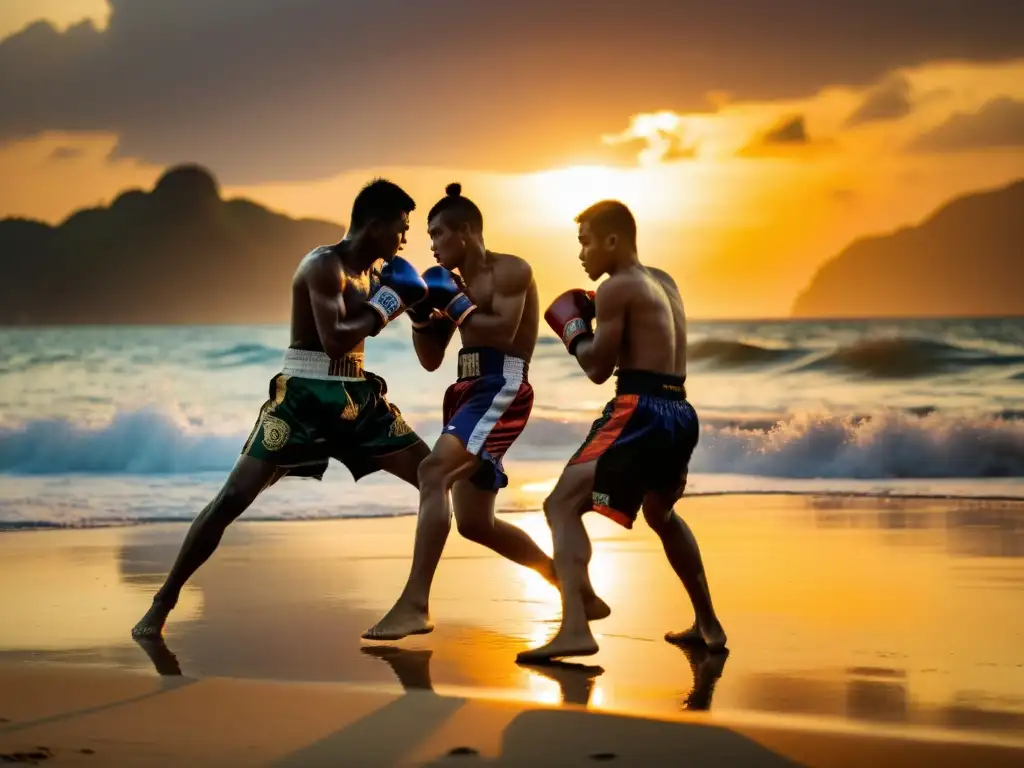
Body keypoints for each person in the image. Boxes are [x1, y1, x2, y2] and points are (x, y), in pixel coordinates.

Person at [131, 178, 435, 639]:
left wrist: (434, 304)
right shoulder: (322, 265)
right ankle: (163, 602)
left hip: (358, 397)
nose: (405, 239)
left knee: (435, 476)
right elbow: (335, 338)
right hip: (303, 398)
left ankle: (417, 602)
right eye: (401, 228)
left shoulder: (379, 274)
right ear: (374, 225)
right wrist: (390, 305)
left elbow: (424, 336)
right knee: (232, 499)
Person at [362, 183, 608, 641]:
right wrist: (417, 310)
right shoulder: (453, 283)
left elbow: (496, 333)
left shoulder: (511, 270)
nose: (431, 245)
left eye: (437, 234)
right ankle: (574, 589)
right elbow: (432, 356)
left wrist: (451, 300)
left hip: (502, 385)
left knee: (433, 472)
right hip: (465, 390)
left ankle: (414, 605)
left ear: (467, 231)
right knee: (476, 524)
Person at [516, 200, 727, 663]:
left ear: (612, 240)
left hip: (639, 410)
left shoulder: (616, 289)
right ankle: (708, 624)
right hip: (679, 410)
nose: (582, 255)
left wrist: (573, 329)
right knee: (662, 514)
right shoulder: (664, 282)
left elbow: (596, 367)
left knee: (560, 504)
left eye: (586, 243)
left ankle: (575, 627)